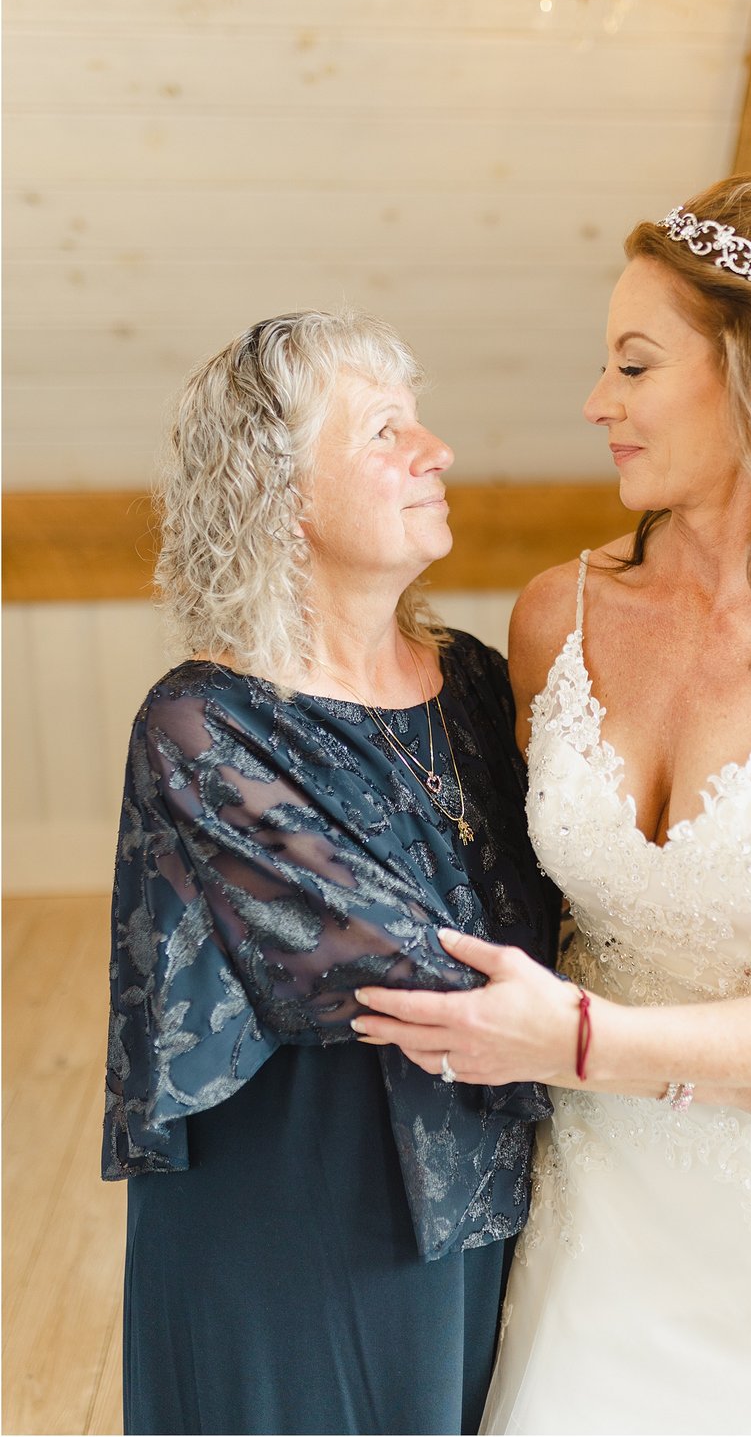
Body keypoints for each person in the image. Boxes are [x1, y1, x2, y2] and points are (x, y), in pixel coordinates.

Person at [353, 175, 751, 1435]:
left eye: (634, 367)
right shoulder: (558, 614)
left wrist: (585, 1044)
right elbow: (508, 908)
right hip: (596, 1201)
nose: (597, 402)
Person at [101, 309, 563, 1436]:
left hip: (487, 1178)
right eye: (384, 433)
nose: (435, 450)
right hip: (300, 1219)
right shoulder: (202, 722)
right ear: (285, 495)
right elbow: (415, 971)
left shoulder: (474, 683)